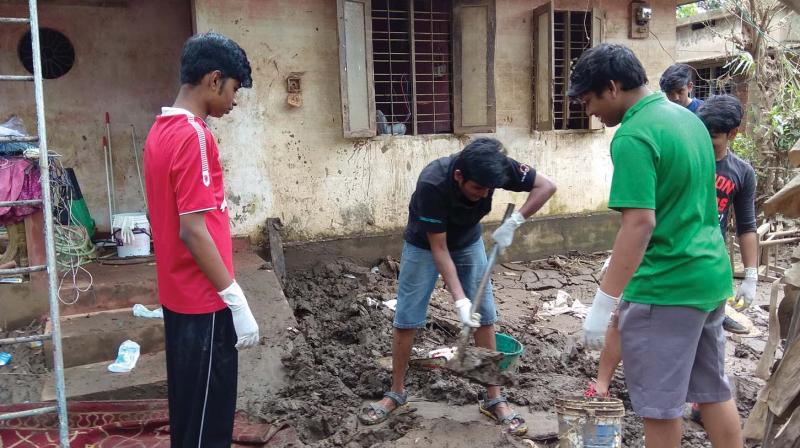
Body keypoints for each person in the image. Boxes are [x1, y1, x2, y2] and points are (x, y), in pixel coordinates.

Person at [571, 43, 743, 447]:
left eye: (589, 99)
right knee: (713, 390)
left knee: (659, 406)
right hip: (708, 277)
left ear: (612, 87)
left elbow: (639, 223)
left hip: (666, 286)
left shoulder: (633, 134)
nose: (588, 110)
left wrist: (602, 303)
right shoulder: (688, 120)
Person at [357, 137, 556, 435]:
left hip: (468, 241)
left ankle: (493, 399)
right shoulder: (433, 183)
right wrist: (461, 301)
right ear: (459, 176)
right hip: (424, 245)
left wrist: (515, 221)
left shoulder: (496, 166)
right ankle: (396, 392)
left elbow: (546, 186)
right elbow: (439, 249)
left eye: (490, 189)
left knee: (485, 317)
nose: (484, 194)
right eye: (478, 189)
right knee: (407, 318)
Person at [143, 32, 259, 447]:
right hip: (203, 302)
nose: (233, 101)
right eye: (233, 90)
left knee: (189, 412)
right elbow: (192, 230)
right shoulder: (194, 136)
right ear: (214, 80)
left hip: (178, 298)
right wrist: (235, 298)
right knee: (209, 420)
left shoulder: (160, 130)